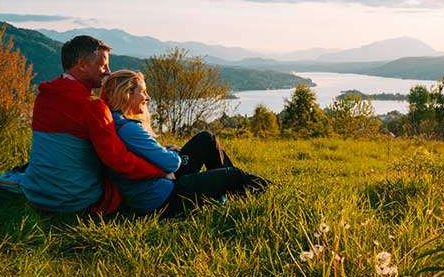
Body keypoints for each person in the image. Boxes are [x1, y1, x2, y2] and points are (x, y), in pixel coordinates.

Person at [20, 36, 167, 213]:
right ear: (82, 65)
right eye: (103, 65)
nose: (108, 72)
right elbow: (120, 162)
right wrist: (160, 170)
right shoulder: (92, 106)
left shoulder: (44, 97)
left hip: (35, 194)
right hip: (74, 200)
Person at [99, 69, 269, 214]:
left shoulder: (115, 121)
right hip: (163, 199)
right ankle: (270, 190)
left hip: (159, 188)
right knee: (233, 175)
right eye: (142, 92)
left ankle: (221, 196)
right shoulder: (130, 129)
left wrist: (168, 151)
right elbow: (171, 163)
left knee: (206, 138)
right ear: (127, 94)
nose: (147, 97)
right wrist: (173, 153)